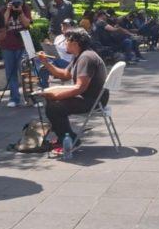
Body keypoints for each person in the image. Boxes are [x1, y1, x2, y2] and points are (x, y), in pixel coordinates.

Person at [37, 28, 108, 156]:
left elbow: (80, 88)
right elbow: (65, 75)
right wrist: (45, 62)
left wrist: (56, 95)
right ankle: (64, 137)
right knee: (52, 103)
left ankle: (70, 140)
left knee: (54, 107)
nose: (65, 43)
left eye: (67, 41)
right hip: (90, 96)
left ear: (75, 43)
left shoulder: (86, 58)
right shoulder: (79, 56)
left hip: (93, 100)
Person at [0, 0, 33, 108]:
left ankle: (29, 98)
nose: (16, 4)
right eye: (14, 2)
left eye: (19, 2)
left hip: (22, 45)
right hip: (7, 46)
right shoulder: (3, 10)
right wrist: (8, 10)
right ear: (8, 2)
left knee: (26, 72)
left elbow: (27, 24)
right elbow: (2, 24)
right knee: (11, 73)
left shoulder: (25, 8)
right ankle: (14, 98)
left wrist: (21, 12)